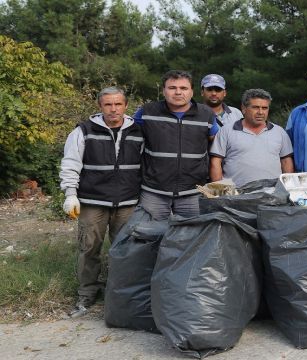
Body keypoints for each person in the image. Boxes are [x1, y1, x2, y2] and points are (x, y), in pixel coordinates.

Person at [59, 87, 143, 318]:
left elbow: (146, 166)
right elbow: (71, 164)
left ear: (126, 106)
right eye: (108, 104)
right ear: (100, 106)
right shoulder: (83, 131)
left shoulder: (138, 131)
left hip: (127, 202)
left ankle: (120, 293)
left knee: (125, 250)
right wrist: (70, 194)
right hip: (92, 202)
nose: (113, 109)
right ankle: (87, 293)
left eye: (118, 104)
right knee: (89, 249)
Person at [133, 70, 219, 219]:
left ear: (192, 92)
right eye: (172, 88)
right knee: (149, 236)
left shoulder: (207, 114)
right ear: (163, 91)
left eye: (183, 88)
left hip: (194, 191)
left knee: (191, 237)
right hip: (154, 191)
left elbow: (218, 144)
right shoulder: (147, 112)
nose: (178, 92)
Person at [209, 88, 294, 187]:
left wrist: (289, 188)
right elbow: (215, 162)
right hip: (236, 196)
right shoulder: (226, 131)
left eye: (264, 108)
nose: (260, 112)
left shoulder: (279, 132)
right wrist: (220, 192)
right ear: (244, 109)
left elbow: (286, 161)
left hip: (272, 196)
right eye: (255, 107)